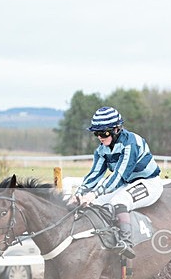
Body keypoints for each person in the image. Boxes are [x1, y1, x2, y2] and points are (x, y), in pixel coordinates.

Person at [69, 106, 163, 258]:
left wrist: (93, 193)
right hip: (126, 184)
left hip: (148, 183)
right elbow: (94, 175)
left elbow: (119, 176)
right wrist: (79, 194)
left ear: (116, 129)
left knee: (119, 200)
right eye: (96, 133)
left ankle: (126, 241)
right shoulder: (101, 150)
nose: (100, 137)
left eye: (104, 133)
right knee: (96, 203)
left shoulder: (131, 143)